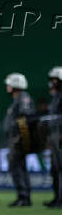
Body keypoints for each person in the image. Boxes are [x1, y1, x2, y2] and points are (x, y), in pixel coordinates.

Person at [3, 73, 36, 207]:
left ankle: (24, 196)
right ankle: (22, 196)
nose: (7, 86)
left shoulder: (23, 98)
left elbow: (25, 118)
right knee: (18, 167)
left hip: (19, 139)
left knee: (17, 167)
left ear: (16, 85)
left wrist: (21, 137)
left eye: (10, 84)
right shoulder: (18, 99)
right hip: (16, 138)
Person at [45, 67, 62, 207]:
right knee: (55, 168)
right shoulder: (57, 96)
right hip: (54, 134)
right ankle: (57, 197)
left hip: (60, 134)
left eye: (55, 79)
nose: (52, 82)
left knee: (60, 167)